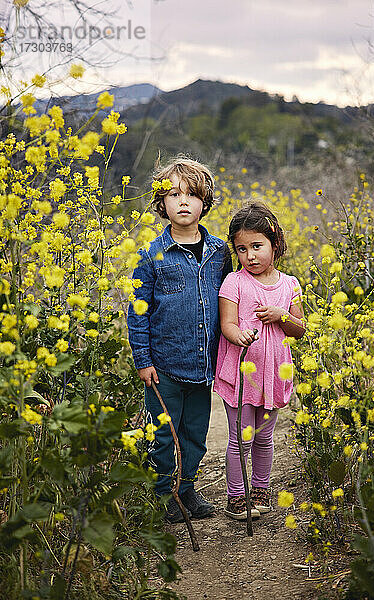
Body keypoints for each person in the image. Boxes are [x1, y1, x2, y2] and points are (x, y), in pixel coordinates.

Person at [127, 157, 232, 523]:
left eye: (191, 194)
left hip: (203, 368)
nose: (183, 201)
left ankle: (186, 490)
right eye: (173, 194)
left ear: (205, 202)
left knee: (195, 435)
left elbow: (231, 299)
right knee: (163, 436)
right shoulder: (151, 254)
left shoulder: (221, 252)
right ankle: (162, 495)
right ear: (162, 204)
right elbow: (137, 310)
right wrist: (143, 360)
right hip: (164, 368)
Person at [214, 201, 305, 520]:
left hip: (272, 373)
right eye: (241, 249)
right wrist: (239, 336)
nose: (249, 255)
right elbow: (227, 325)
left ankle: (261, 490)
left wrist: (282, 316)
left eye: (256, 246)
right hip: (240, 374)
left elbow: (299, 330)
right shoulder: (234, 283)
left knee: (264, 437)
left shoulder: (290, 284)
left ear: (275, 243)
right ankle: (237, 496)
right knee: (241, 438)